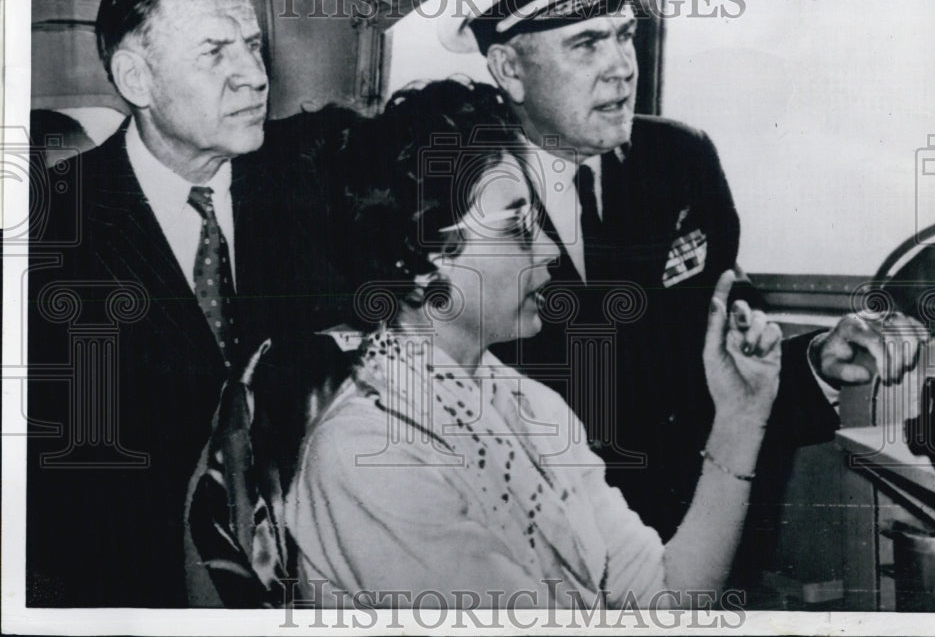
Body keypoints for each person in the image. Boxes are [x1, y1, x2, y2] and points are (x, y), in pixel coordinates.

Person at [398, 0, 928, 553]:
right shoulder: (455, 195)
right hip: (536, 554)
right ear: (509, 68)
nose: (621, 67)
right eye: (587, 43)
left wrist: (817, 361)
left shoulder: (680, 161)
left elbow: (710, 369)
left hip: (692, 539)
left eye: (624, 35)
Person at [286, 79, 784, 608]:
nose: (547, 248)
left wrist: (740, 417)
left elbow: (665, 600)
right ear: (419, 260)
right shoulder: (369, 454)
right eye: (518, 227)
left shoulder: (532, 406)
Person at [27, 0, 356, 606]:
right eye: (215, 53)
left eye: (253, 47)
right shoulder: (48, 234)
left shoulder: (317, 193)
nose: (255, 77)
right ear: (137, 78)